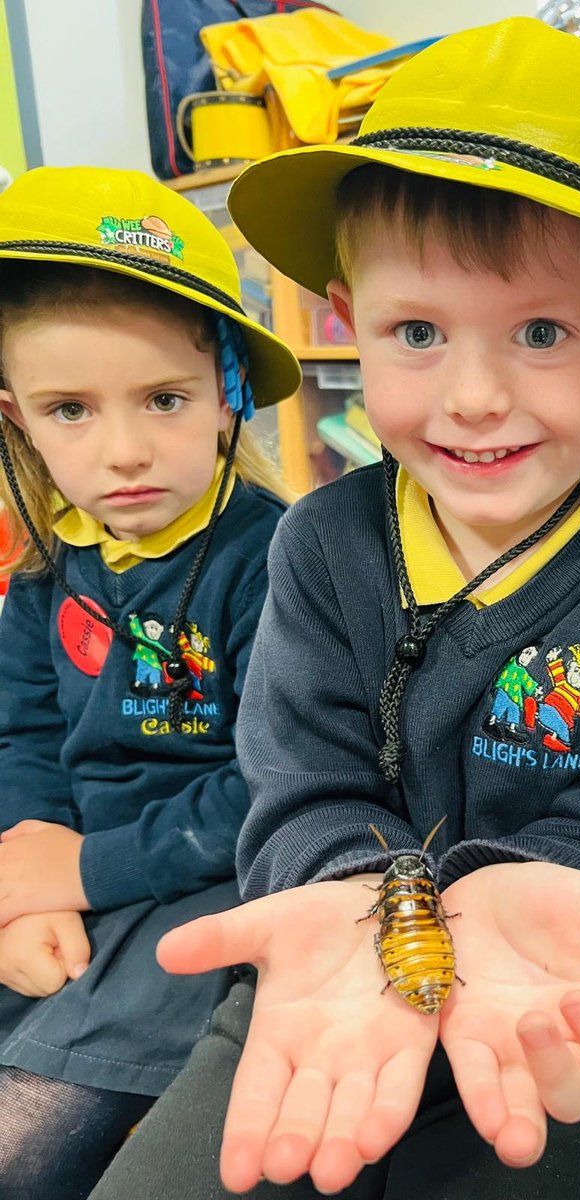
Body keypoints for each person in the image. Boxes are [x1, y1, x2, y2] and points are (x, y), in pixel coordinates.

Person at [90, 17, 580, 1200]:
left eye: (543, 332)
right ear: (352, 318)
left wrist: (513, 896)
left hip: (553, 1008)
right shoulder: (318, 543)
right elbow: (299, 787)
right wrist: (362, 894)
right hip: (325, 961)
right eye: (418, 332)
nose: (471, 397)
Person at [0, 165, 300, 1199]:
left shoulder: (276, 561)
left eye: (163, 399)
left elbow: (275, 789)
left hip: (210, 889)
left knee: (29, 1135)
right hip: (77, 871)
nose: (122, 452)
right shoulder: (47, 568)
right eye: (69, 410)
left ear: (229, 393)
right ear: (17, 419)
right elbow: (24, 736)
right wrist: (27, 881)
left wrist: (75, 878)